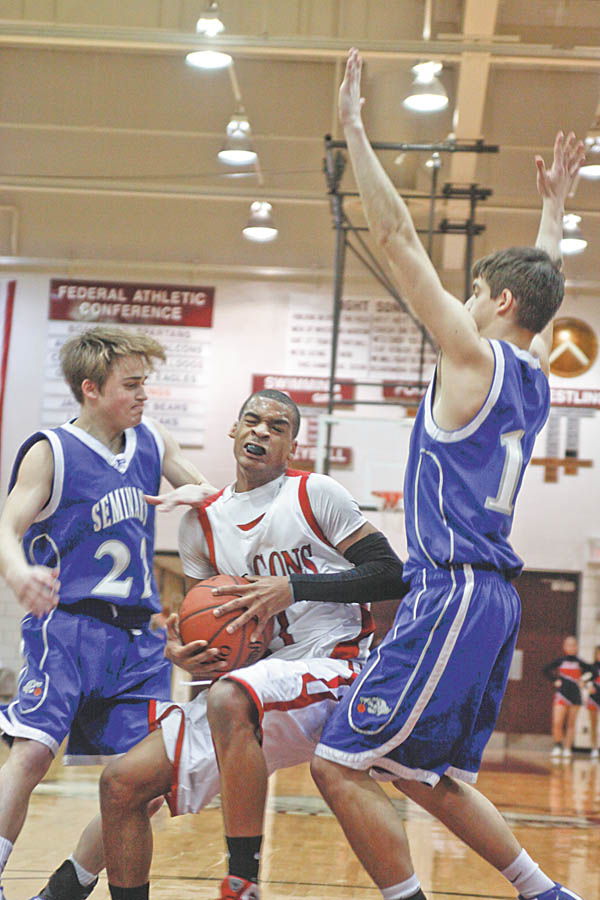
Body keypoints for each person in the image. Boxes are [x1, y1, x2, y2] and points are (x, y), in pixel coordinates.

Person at [215, 53, 587, 900]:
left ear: (492, 305)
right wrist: (556, 209)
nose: (459, 298)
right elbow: (539, 288)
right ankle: (547, 893)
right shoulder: (534, 377)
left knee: (342, 762)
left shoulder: (470, 353)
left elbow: (396, 239)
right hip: (490, 597)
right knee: (425, 775)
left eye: (472, 290)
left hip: (451, 589)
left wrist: (352, 131)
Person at [98, 387, 408, 900]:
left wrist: (294, 587)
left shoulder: (315, 493)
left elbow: (390, 575)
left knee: (230, 695)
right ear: (234, 431)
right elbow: (211, 624)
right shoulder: (203, 523)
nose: (262, 430)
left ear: (292, 448)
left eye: (278, 426)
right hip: (259, 682)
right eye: (253, 420)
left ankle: (242, 879)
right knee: (121, 783)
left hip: (336, 665)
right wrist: (189, 654)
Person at [0, 325, 214, 900]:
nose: (145, 395)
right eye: (133, 384)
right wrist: (19, 574)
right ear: (91, 388)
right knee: (31, 757)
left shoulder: (152, 441)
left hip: (138, 640)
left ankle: (69, 884)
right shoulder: (52, 450)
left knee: (145, 783)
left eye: (147, 383)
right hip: (68, 626)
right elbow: (6, 524)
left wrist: (202, 496)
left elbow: (210, 492)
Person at [543, 635, 592, 760]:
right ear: (565, 647)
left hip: (575, 696)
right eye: (568, 645)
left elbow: (594, 672)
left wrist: (584, 681)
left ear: (576, 647)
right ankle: (558, 745)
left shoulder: (580, 662)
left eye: (573, 645)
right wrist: (555, 680)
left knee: (571, 724)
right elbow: (545, 669)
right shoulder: (561, 661)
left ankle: (567, 748)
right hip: (562, 695)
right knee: (557, 722)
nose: (571, 647)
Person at [585, 645, 600, 761]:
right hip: (593, 698)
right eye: (598, 653)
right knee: (593, 725)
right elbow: (581, 680)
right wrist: (587, 687)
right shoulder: (591, 667)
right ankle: (594, 748)